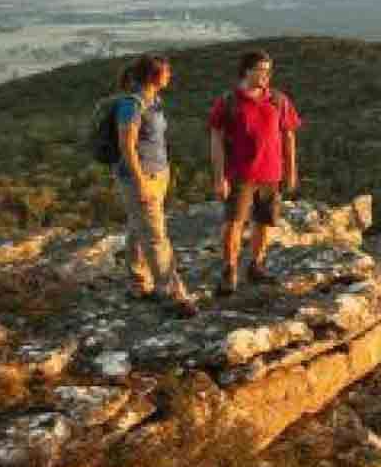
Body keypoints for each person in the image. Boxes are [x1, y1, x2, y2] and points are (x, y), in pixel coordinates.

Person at [208, 49, 301, 296]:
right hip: (239, 174)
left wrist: (291, 170)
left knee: (264, 222)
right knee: (233, 223)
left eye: (268, 70)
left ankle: (256, 266)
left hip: (271, 173)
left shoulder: (278, 101)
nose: (265, 75)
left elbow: (288, 135)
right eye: (260, 69)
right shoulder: (228, 101)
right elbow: (215, 138)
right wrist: (219, 177)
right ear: (246, 71)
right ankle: (229, 271)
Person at [110, 53, 198, 316]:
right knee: (156, 236)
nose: (170, 76)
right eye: (167, 72)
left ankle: (137, 283)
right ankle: (173, 294)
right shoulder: (132, 105)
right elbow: (126, 145)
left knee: (139, 229)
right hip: (140, 177)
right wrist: (140, 182)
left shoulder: (155, 101)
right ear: (154, 75)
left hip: (158, 173)